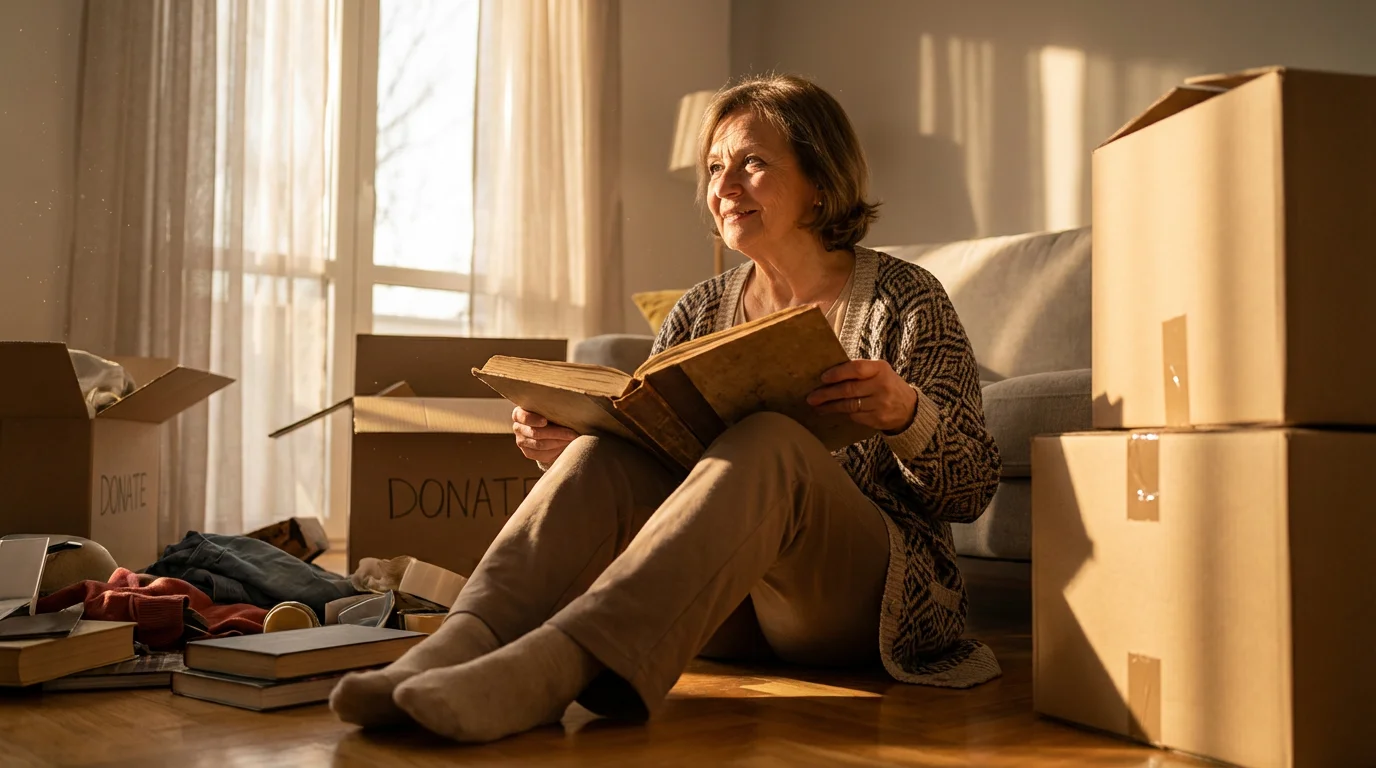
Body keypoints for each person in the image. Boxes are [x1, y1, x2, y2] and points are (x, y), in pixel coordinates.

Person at [330, 73, 1001, 743]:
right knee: (601, 449)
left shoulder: (905, 300)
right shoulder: (699, 309)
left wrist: (905, 414)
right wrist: (575, 443)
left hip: (863, 603)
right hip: (726, 606)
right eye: (715, 168)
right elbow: (662, 459)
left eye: (752, 163)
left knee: (769, 437)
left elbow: (970, 490)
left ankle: (550, 673)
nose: (724, 187)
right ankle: (453, 648)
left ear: (820, 179)